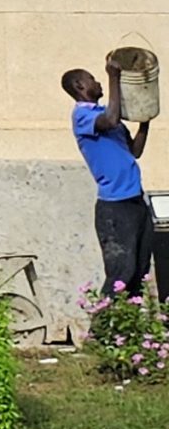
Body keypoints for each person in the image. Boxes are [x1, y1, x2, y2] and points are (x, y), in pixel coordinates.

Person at [65, 64, 153, 298]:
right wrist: (114, 75)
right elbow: (111, 120)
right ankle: (100, 330)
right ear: (80, 86)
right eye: (93, 79)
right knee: (121, 273)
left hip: (135, 202)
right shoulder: (83, 116)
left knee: (140, 272)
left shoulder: (106, 114)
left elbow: (135, 150)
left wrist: (146, 121)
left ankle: (130, 331)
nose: (99, 83)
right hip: (114, 207)